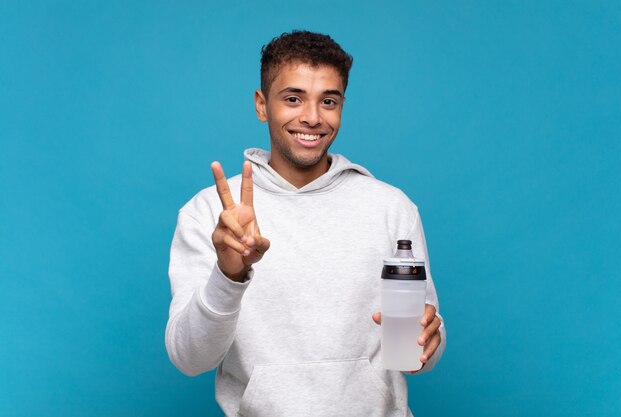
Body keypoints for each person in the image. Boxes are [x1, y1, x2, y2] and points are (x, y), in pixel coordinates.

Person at [166, 30, 446, 417]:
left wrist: (430, 339)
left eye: (328, 101)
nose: (312, 117)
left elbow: (418, 353)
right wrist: (228, 276)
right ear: (262, 105)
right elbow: (188, 358)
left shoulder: (390, 207)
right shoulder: (210, 212)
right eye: (293, 98)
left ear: (342, 106)